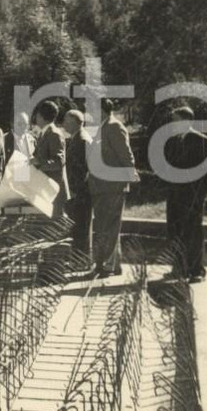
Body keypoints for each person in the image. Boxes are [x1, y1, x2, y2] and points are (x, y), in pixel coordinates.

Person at [87, 99, 139, 277]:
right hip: (102, 185)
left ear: (102, 110)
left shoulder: (114, 127)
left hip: (112, 185)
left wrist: (129, 175)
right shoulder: (103, 127)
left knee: (109, 226)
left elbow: (126, 155)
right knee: (106, 225)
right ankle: (112, 264)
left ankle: (107, 265)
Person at [163, 106, 207, 283]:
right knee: (175, 232)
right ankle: (179, 269)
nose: (173, 124)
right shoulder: (172, 141)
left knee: (193, 232)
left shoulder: (201, 141)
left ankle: (196, 270)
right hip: (175, 195)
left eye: (176, 120)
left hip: (192, 196)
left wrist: (201, 195)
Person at [62, 109, 93, 257]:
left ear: (75, 122)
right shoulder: (78, 138)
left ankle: (80, 260)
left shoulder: (81, 140)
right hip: (79, 192)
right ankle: (80, 259)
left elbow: (82, 170)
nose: (63, 124)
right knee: (80, 228)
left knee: (80, 228)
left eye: (66, 121)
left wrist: (74, 191)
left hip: (80, 194)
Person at [31, 101, 69, 218]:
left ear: (40, 116)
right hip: (46, 190)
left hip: (53, 191)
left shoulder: (54, 134)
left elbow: (58, 162)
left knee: (54, 224)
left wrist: (39, 162)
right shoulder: (44, 133)